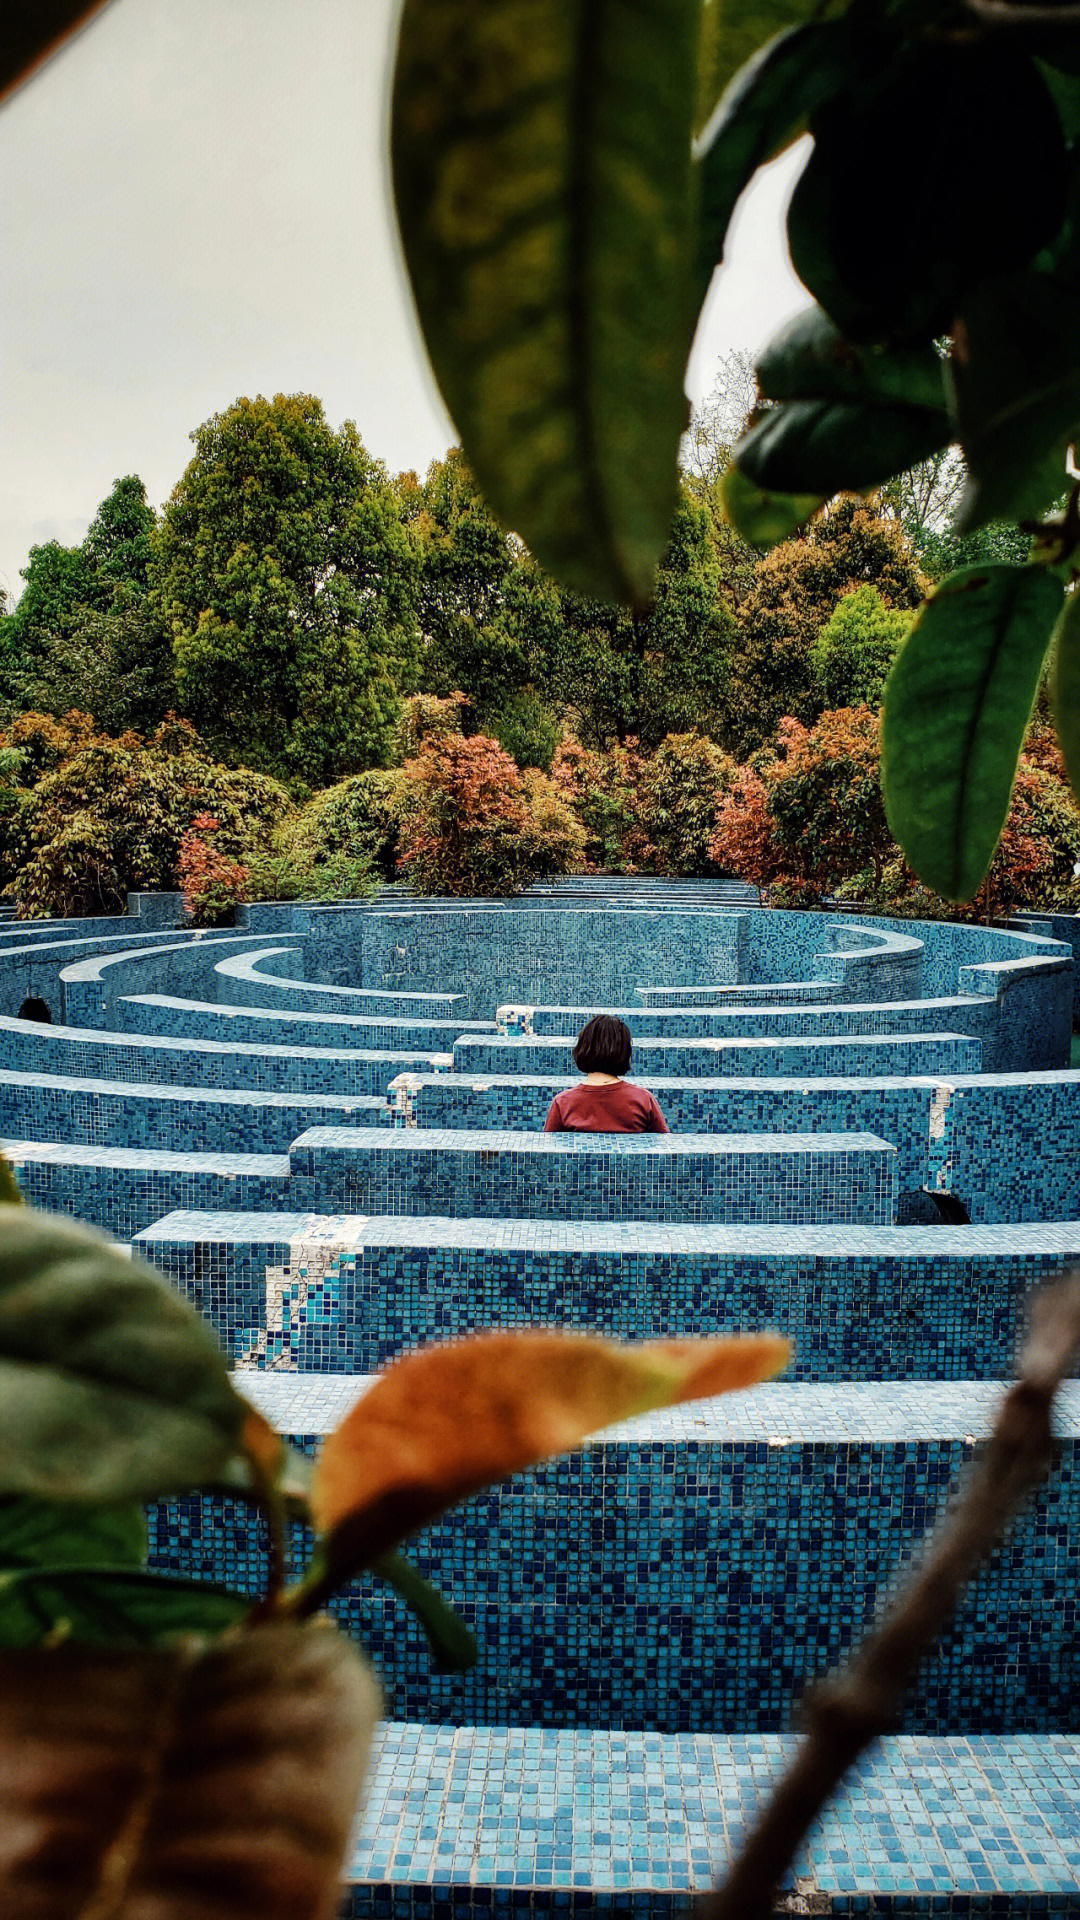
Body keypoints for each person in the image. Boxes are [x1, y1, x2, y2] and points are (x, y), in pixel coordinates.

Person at [543, 1014, 670, 1133]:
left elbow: (547, 1148)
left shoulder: (563, 1102)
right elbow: (664, 1145)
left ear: (582, 1048)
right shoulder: (643, 1100)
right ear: (625, 1053)